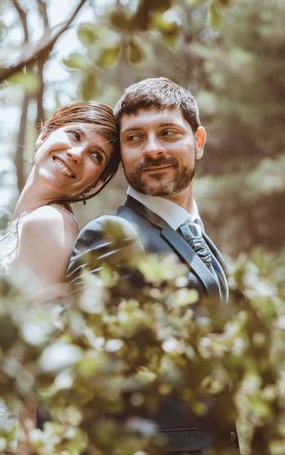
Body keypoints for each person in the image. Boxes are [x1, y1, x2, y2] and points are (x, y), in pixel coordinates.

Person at [67, 78, 239, 454]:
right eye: (134, 138)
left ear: (198, 142)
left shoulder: (197, 234)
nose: (152, 149)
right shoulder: (113, 235)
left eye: (168, 133)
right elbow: (85, 373)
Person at [0, 101, 120, 437]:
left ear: (91, 185)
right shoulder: (22, 226)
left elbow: (32, 369)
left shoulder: (48, 225)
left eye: (95, 156)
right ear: (44, 134)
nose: (77, 153)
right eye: (74, 135)